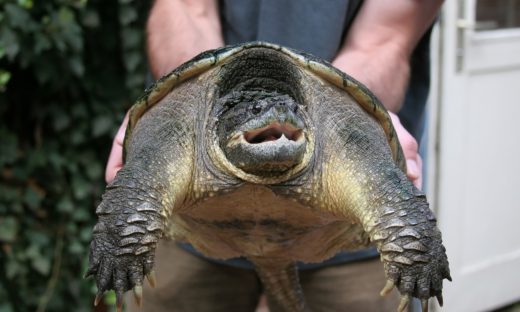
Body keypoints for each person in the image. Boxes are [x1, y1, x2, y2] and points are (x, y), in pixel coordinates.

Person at [105, 1, 443, 311]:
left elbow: (383, 39)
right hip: (194, 225)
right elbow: (184, 7)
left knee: (402, 238)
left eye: (287, 113)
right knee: (134, 231)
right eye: (257, 112)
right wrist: (186, 105)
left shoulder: (321, 124)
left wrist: (414, 248)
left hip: (342, 232)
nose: (278, 118)